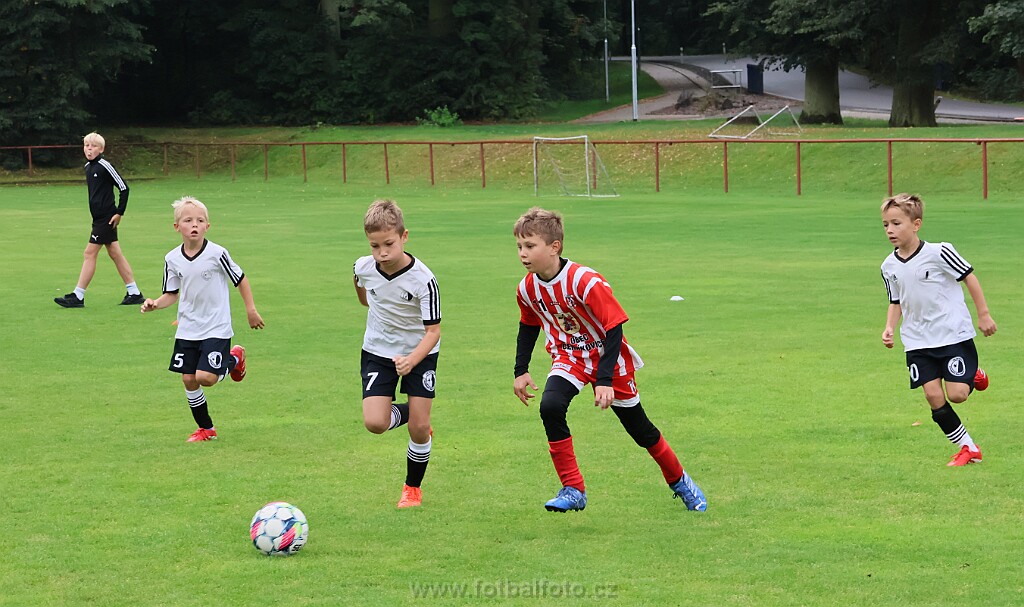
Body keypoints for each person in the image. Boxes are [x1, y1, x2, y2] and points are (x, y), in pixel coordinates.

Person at [511, 207, 707, 512]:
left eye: (530, 246)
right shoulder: (527, 289)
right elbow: (528, 325)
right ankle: (573, 489)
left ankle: (680, 480)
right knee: (550, 407)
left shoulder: (585, 281)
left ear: (554, 247)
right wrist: (521, 370)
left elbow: (614, 327)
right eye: (519, 246)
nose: (523, 253)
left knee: (640, 430)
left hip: (609, 360)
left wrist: (604, 380)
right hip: (570, 358)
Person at [880, 193, 996, 467]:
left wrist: (984, 314)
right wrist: (889, 327)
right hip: (917, 341)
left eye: (896, 223)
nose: (890, 230)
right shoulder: (888, 266)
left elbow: (969, 277)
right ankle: (969, 447)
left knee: (957, 395)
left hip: (951, 333)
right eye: (885, 225)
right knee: (933, 396)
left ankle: (973, 374)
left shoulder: (940, 252)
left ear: (916, 224)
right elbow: (896, 301)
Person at [140, 196, 264, 442]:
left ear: (208, 226)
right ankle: (207, 429)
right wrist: (155, 304)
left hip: (216, 326)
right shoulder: (172, 258)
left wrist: (251, 310)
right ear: (177, 227)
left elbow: (240, 279)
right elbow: (171, 294)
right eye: (188, 220)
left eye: (200, 220)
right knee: (188, 379)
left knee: (205, 378)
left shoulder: (217, 254)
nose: (194, 224)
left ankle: (234, 358)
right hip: (188, 327)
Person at [353, 199, 441, 509]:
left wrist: (412, 360)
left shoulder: (424, 280)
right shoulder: (363, 266)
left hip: (420, 353)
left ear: (404, 236)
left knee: (419, 429)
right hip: (377, 351)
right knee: (375, 423)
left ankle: (412, 489)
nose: (382, 253)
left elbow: (434, 332)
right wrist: (367, 301)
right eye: (375, 246)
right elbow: (360, 283)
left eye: (389, 244)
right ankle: (414, 414)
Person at [54, 132, 145, 308]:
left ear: (101, 149)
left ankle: (78, 296)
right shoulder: (88, 167)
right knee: (115, 253)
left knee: (89, 253)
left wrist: (119, 213)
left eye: (93, 146)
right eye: (86, 145)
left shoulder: (105, 166)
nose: (89, 149)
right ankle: (134, 292)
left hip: (106, 218)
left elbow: (124, 188)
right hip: (97, 219)